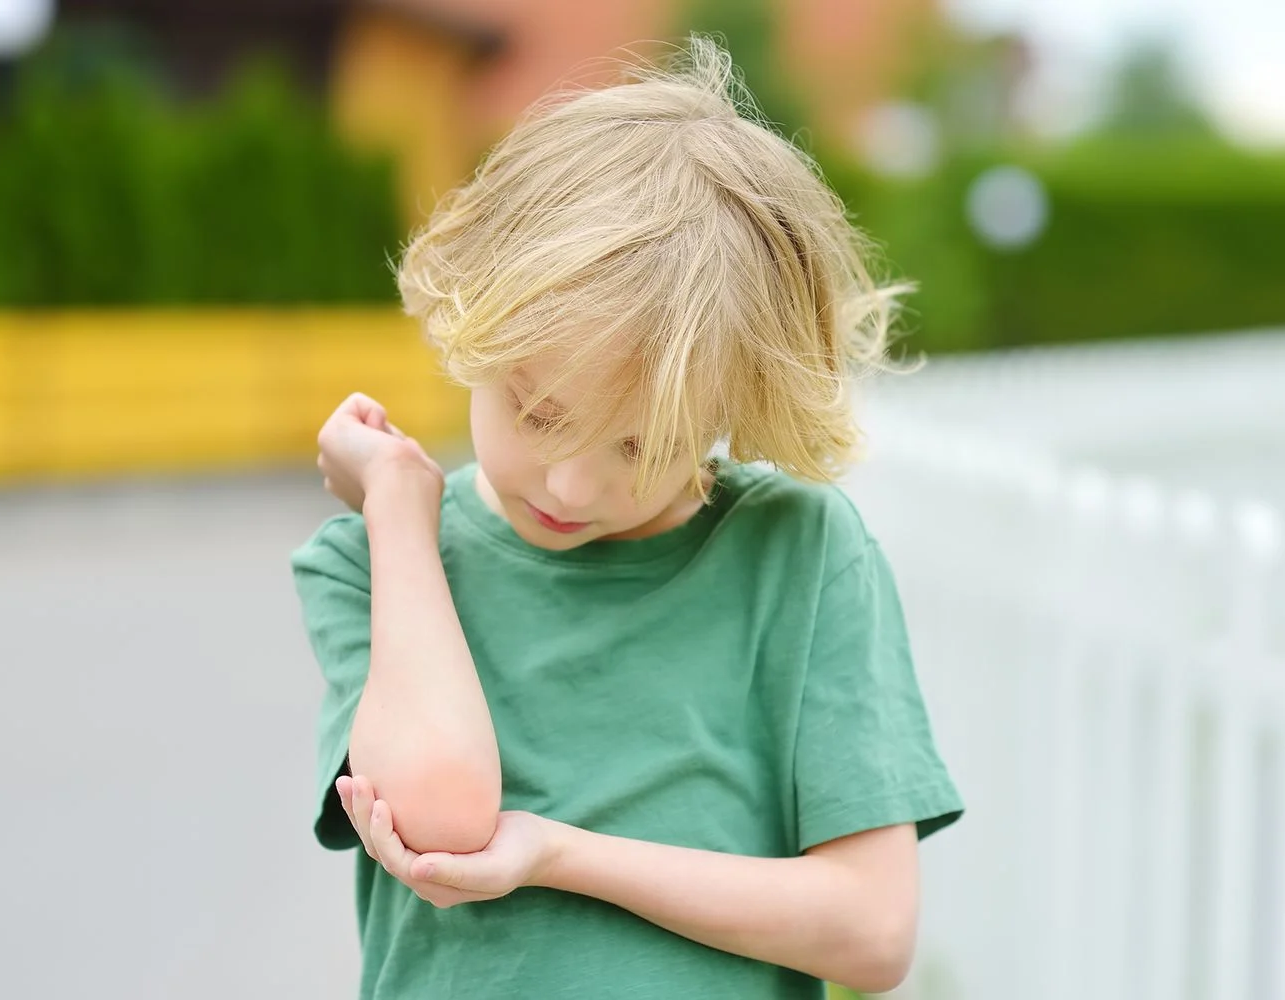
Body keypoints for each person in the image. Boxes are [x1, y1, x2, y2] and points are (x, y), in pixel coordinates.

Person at [291, 36, 962, 999]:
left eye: (641, 446)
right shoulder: (376, 562)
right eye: (537, 411)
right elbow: (440, 818)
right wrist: (398, 506)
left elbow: (873, 932)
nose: (568, 487)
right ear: (478, 325)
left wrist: (560, 854)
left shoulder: (797, 556)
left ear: (736, 406)